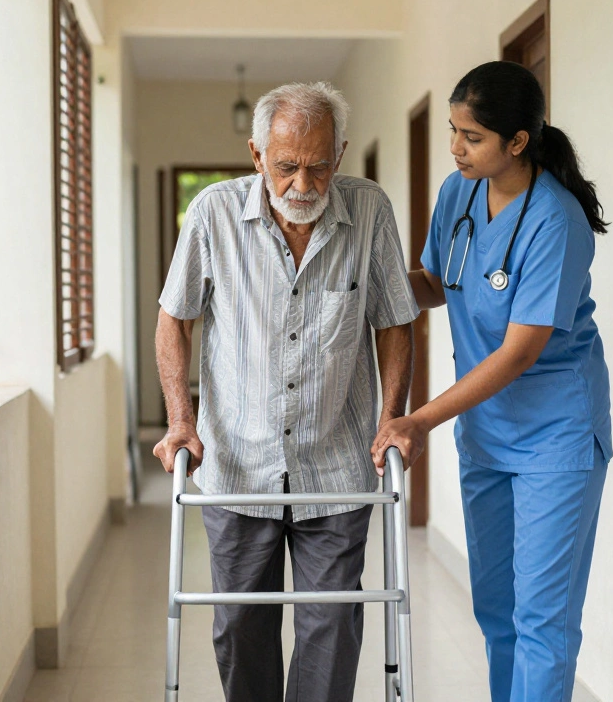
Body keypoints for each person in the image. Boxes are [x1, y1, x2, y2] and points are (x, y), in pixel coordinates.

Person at [154, 81, 418, 702]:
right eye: (286, 166)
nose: (303, 184)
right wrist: (179, 419)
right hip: (239, 464)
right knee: (241, 627)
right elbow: (174, 318)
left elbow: (395, 320)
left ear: (341, 154)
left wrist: (390, 418)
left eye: (319, 166)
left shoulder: (370, 211)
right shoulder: (214, 214)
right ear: (256, 156)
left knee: (332, 628)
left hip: (336, 463)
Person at [372, 61, 613, 702]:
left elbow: (518, 352)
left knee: (542, 620)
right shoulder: (459, 193)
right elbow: (433, 283)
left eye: (471, 137)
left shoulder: (555, 222)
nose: (455, 148)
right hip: (487, 432)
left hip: (554, 437)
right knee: (497, 611)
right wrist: (358, 287)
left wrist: (418, 418)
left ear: (517, 142)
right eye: (452, 131)